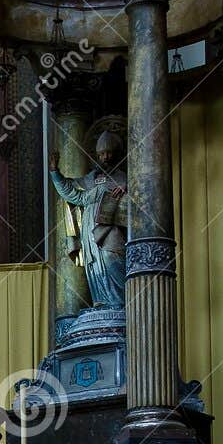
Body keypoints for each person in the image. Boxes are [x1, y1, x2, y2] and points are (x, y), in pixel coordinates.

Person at [49, 128, 127, 310]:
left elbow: (139, 194)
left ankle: (121, 303)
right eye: (101, 154)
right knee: (94, 265)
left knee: (110, 258)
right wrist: (55, 172)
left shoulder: (123, 177)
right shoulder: (90, 179)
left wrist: (127, 188)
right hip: (89, 231)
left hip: (110, 230)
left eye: (109, 153)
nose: (105, 157)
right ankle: (103, 302)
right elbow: (72, 193)